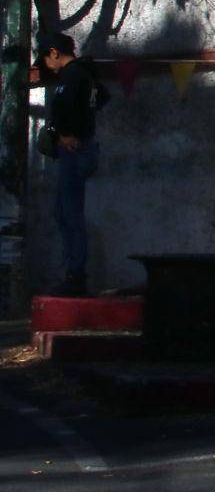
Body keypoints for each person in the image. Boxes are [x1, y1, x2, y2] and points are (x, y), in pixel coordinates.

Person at [40, 33, 108, 296]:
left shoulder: (72, 75)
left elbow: (69, 108)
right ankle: (73, 272)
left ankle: (76, 275)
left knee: (70, 214)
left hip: (75, 150)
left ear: (54, 52)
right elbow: (99, 100)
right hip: (81, 149)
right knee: (64, 212)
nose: (46, 64)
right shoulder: (84, 74)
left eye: (46, 57)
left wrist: (66, 133)